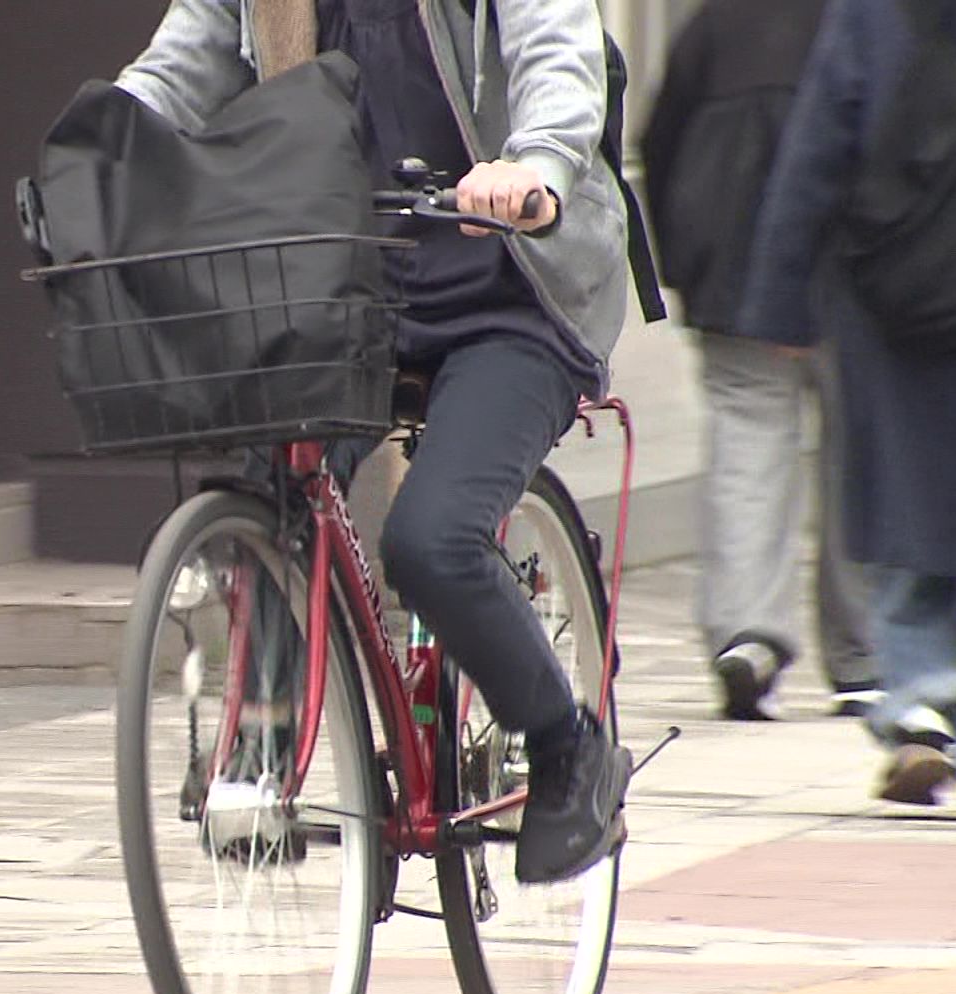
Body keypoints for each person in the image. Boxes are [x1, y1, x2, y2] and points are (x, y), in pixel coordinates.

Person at [115, 0, 635, 882]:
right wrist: (100, 147)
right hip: (350, 292)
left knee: (431, 541)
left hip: (512, 296)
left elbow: (558, 53)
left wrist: (534, 168)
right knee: (269, 480)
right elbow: (173, 75)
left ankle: (570, 749)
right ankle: (265, 740)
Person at [740, 0, 956, 805]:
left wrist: (781, 299)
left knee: (904, 502)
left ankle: (922, 702)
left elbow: (820, 144)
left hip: (894, 290)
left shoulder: (873, 11)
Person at [641, 0, 879, 724]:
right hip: (849, 280)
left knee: (748, 452)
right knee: (860, 462)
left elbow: (659, 143)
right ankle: (864, 655)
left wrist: (682, 263)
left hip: (731, 280)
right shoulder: (871, 24)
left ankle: (747, 635)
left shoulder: (715, 22)